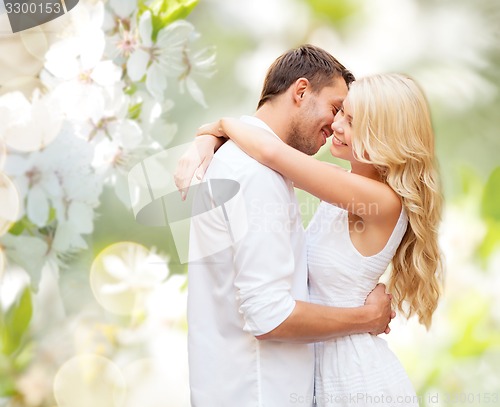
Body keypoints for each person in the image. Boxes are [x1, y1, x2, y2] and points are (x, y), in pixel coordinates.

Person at [177, 72, 443, 406]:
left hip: (355, 377)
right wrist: (210, 140)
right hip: (323, 371)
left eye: (352, 121)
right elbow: (269, 157)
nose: (336, 125)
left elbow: (273, 154)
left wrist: (219, 126)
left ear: (384, 136)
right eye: (341, 112)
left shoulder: (380, 201)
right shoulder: (344, 185)